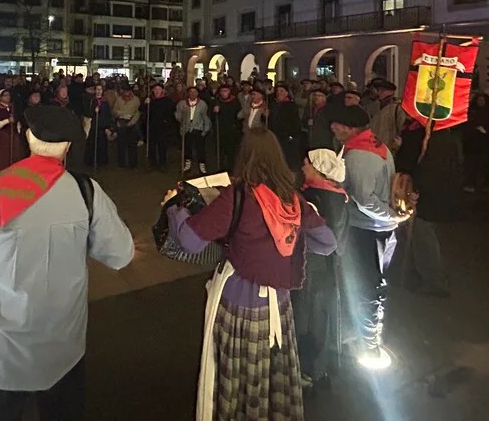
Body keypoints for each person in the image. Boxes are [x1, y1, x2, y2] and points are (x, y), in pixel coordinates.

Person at [0, 105, 134, 421]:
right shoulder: (87, 193)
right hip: (62, 348)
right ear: (68, 146)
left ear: (27, 135)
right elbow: (121, 254)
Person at [166, 128, 336, 420]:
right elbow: (328, 243)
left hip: (239, 299)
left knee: (236, 374)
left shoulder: (238, 197)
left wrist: (174, 208)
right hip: (278, 304)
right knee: (270, 375)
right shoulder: (292, 198)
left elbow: (191, 241)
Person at [330, 104, 403, 366]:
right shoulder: (374, 144)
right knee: (370, 283)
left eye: (336, 125)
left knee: (366, 285)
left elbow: (364, 198)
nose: (332, 129)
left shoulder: (359, 155)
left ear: (348, 128)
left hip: (368, 229)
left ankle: (368, 342)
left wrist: (391, 216)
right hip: (378, 228)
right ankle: (362, 334)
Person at [292, 149, 348, 386]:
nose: (302, 167)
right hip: (329, 267)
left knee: (306, 316)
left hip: (311, 266)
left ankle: (305, 369)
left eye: (306, 164)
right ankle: (323, 365)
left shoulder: (313, 198)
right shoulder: (338, 196)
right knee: (325, 315)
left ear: (317, 169)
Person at [396, 119, 463, 297]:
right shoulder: (442, 135)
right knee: (422, 235)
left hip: (429, 195)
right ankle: (427, 275)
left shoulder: (435, 137)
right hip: (435, 192)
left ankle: (434, 281)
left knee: (424, 235)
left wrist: (417, 189)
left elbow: (432, 168)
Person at [176, 85, 212, 174]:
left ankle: (202, 165)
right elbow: (178, 115)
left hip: (198, 128)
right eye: (191, 92)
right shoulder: (182, 103)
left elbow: (205, 117)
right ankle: (188, 164)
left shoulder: (202, 104)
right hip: (187, 128)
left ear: (197, 93)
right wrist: (181, 118)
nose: (193, 94)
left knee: (200, 148)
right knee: (187, 147)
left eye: (195, 92)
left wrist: (206, 129)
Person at [268, 84, 302, 169]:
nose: (279, 93)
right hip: (274, 136)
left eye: (281, 91)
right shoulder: (274, 105)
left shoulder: (291, 105)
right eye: (277, 91)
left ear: (287, 93)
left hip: (286, 137)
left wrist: (291, 136)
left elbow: (296, 123)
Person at [0, 89, 24, 173]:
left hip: (13, 135)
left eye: (8, 95)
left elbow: (17, 120)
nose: (7, 97)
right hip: (2, 137)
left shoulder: (12, 108)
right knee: (3, 157)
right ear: (0, 98)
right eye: (5, 95)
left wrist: (18, 128)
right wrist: (8, 121)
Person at [369, 80, 406, 152]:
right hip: (377, 149)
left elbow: (402, 127)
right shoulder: (375, 107)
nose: (378, 93)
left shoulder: (398, 108)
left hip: (390, 149)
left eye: (381, 90)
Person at [213, 84, 242, 172]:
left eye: (225, 91)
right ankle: (221, 167)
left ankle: (231, 168)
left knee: (231, 151)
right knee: (220, 150)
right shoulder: (217, 101)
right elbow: (212, 116)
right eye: (222, 91)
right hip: (220, 129)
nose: (223, 93)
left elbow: (239, 115)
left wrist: (236, 125)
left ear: (229, 92)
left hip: (231, 129)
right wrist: (214, 112)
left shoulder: (235, 101)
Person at [84, 83, 113, 168]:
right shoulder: (92, 101)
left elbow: (108, 116)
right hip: (94, 126)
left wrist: (108, 127)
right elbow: (88, 113)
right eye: (97, 89)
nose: (99, 91)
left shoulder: (105, 102)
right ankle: (91, 161)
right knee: (92, 144)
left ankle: (102, 162)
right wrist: (94, 111)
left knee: (102, 145)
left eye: (100, 89)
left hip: (102, 127)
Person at [146, 82, 173, 172]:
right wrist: (146, 104)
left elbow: (170, 114)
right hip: (152, 127)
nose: (157, 91)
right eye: (155, 89)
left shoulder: (167, 101)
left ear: (162, 91)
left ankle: (162, 163)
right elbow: (146, 113)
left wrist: (166, 122)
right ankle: (152, 163)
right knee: (151, 146)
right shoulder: (150, 101)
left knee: (162, 146)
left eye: (159, 89)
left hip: (162, 127)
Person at [112, 85, 141, 169]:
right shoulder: (119, 99)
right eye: (124, 91)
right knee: (121, 144)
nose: (126, 93)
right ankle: (122, 163)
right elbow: (114, 111)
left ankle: (133, 163)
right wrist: (121, 114)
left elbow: (137, 111)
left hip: (132, 123)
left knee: (132, 144)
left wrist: (133, 121)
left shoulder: (136, 99)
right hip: (121, 122)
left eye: (128, 91)